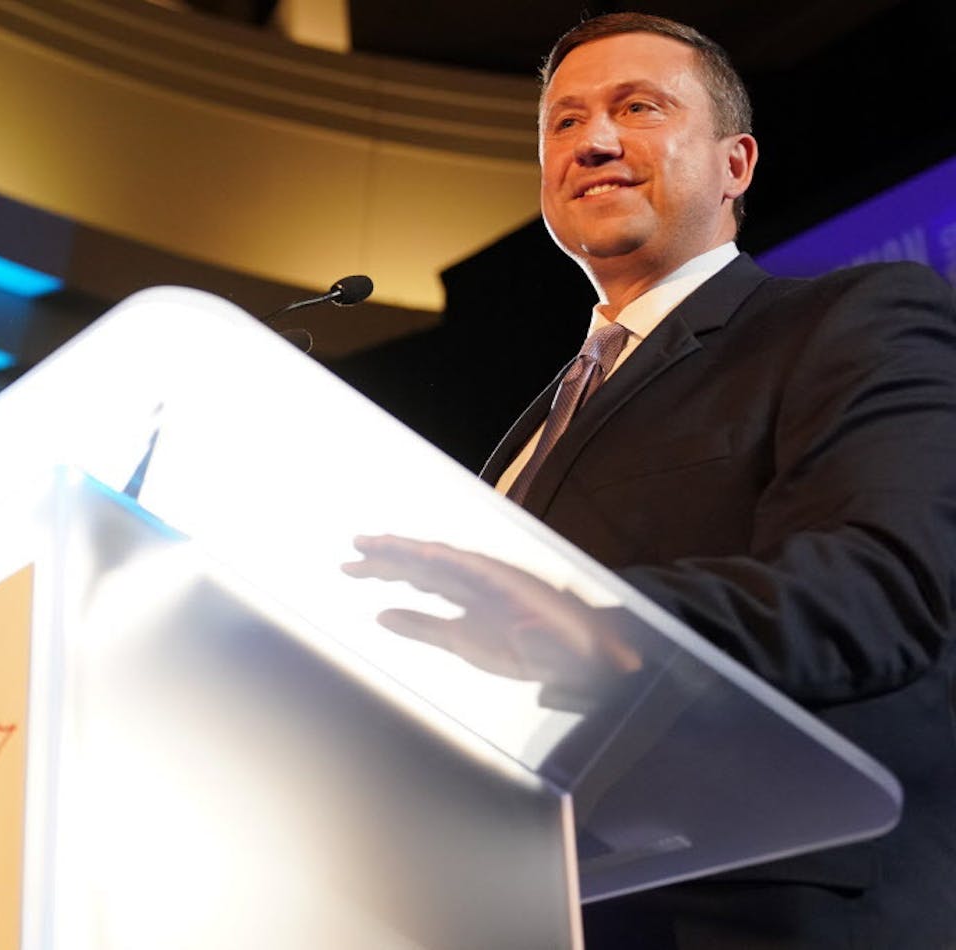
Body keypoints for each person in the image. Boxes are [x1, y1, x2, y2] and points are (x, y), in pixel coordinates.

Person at [348, 12, 956, 948]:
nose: (591, 141)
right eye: (562, 123)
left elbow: (882, 589)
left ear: (736, 165)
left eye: (638, 108)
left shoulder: (854, 317)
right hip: (533, 906)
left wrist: (606, 626)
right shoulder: (535, 426)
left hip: (759, 908)